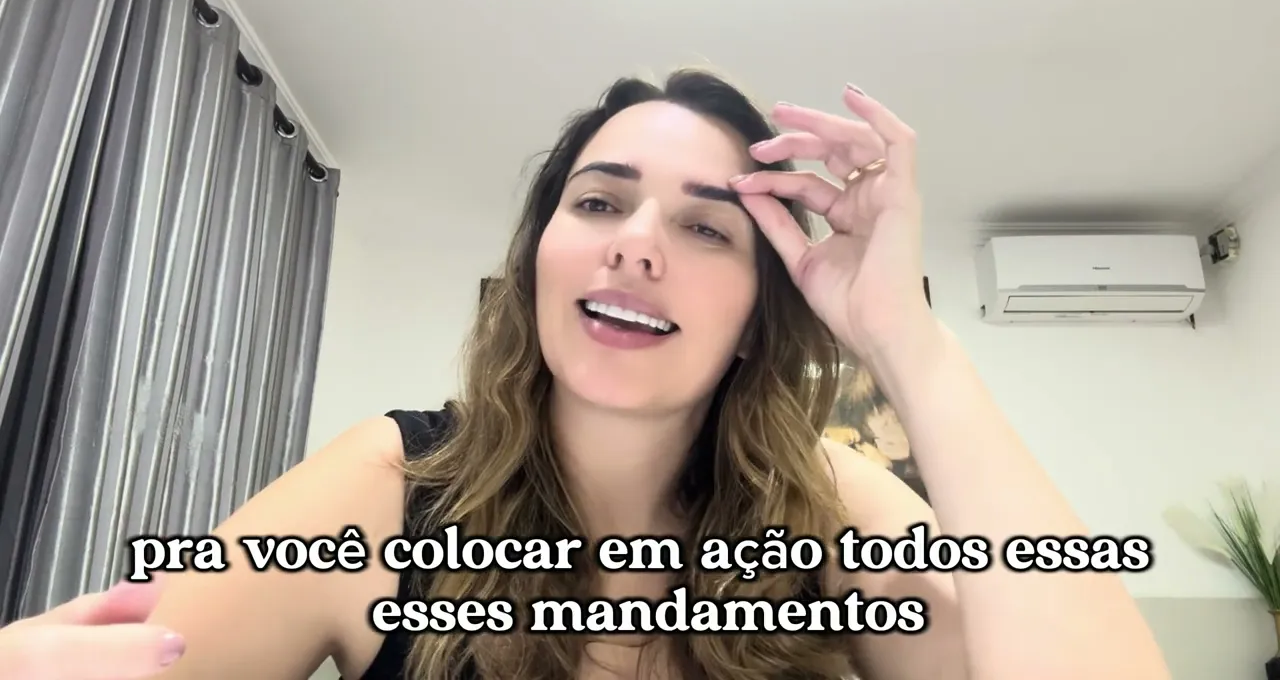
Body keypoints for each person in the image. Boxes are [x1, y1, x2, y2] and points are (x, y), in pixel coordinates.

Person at [0, 70, 1171, 680]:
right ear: (539, 263)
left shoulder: (828, 508)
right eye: (599, 203)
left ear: (753, 321)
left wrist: (906, 341)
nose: (637, 243)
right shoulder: (388, 487)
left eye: (705, 228)